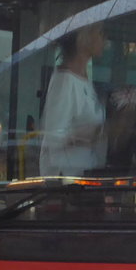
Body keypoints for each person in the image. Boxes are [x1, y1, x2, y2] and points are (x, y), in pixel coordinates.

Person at [39, 23, 109, 176]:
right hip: (65, 181)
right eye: (100, 33)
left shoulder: (83, 79)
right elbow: (54, 137)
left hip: (84, 174)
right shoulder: (64, 81)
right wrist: (94, 133)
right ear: (83, 38)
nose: (105, 40)